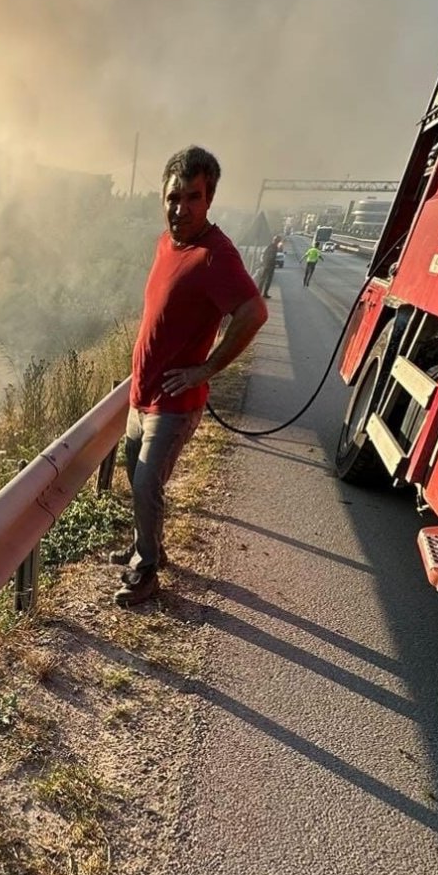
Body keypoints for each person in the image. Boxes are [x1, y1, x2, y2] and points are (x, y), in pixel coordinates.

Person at [112, 146, 268, 606]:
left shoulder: (214, 255)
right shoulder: (167, 243)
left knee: (146, 484)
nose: (180, 209)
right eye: (173, 197)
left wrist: (207, 368)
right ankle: (149, 547)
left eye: (192, 198)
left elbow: (253, 312)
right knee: (133, 474)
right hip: (143, 395)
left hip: (175, 404)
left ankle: (147, 572)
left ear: (209, 199)